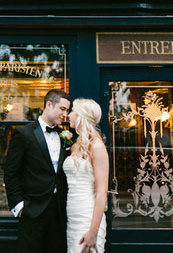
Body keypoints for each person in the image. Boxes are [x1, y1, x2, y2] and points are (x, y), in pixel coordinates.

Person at [4, 89, 71, 253]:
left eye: (67, 110)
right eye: (62, 109)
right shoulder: (24, 133)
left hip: (60, 211)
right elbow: (11, 172)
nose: (66, 114)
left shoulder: (65, 135)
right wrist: (18, 206)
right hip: (32, 210)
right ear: (49, 105)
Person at [64, 99, 108, 253]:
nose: (68, 115)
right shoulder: (75, 146)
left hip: (88, 216)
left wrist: (93, 231)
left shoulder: (96, 146)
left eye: (73, 111)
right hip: (72, 215)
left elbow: (102, 191)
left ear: (82, 115)